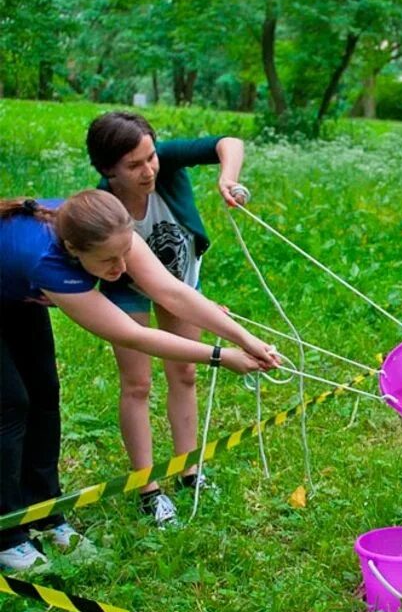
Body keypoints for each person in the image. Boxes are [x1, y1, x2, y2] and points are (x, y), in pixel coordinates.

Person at [0, 191, 280, 572]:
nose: (120, 268)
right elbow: (134, 335)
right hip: (12, 285)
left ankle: (47, 515)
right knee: (11, 404)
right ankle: (8, 536)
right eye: (108, 261)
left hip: (17, 292)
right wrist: (220, 357)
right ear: (73, 250)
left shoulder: (108, 231)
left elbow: (173, 292)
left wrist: (244, 338)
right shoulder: (47, 261)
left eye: (124, 254)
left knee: (44, 395)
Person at [86, 112, 249, 527]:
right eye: (134, 165)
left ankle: (189, 470)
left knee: (185, 374)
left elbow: (228, 142)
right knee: (137, 383)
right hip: (127, 289)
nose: (148, 170)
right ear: (108, 170)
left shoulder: (166, 163)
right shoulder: (102, 205)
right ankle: (147, 489)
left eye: (151, 157)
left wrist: (227, 179)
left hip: (180, 282)